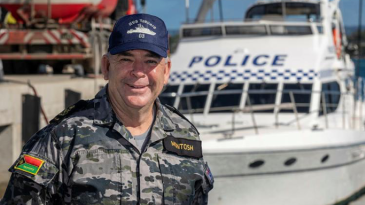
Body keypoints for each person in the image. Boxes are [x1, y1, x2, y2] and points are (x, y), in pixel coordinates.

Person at [0, 14, 213, 205]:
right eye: (126, 59)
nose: (138, 72)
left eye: (150, 61)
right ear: (106, 67)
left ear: (166, 72)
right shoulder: (62, 138)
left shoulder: (185, 135)